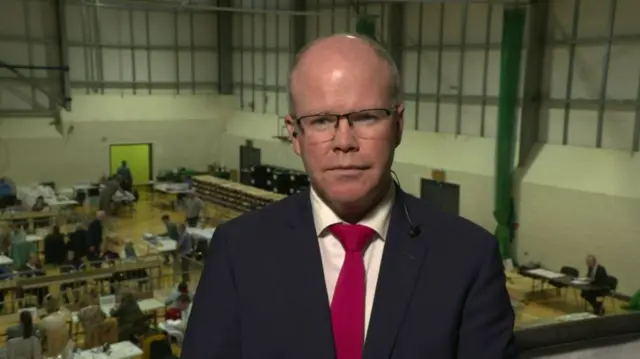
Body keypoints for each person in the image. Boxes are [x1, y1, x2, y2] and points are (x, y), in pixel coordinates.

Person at [182, 34, 515, 359]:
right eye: (322, 120)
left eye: (366, 117)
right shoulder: (239, 250)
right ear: (294, 134)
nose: (344, 141)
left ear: (398, 125)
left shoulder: (468, 258)